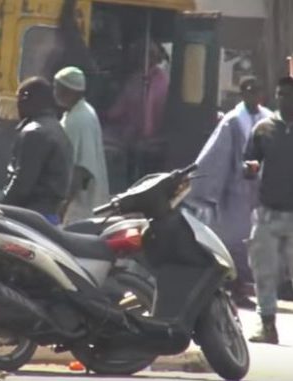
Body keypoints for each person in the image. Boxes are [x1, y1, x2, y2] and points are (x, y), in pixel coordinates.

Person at [188, 77, 273, 308]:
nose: (251, 95)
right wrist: (209, 190)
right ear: (242, 94)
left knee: (255, 244)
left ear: (261, 95)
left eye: (255, 91)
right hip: (234, 192)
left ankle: (241, 289)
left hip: (260, 193)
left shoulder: (269, 120)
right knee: (232, 242)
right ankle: (232, 290)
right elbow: (216, 156)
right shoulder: (233, 122)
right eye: (247, 91)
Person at [243, 76, 293, 344]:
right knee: (264, 273)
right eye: (281, 93)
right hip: (267, 213)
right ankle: (267, 326)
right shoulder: (263, 129)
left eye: (290, 94)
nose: (285, 98)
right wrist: (249, 168)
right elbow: (248, 161)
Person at [1, 77, 73, 225]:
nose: (17, 105)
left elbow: (21, 185)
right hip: (49, 216)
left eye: (19, 99)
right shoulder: (58, 130)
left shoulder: (34, 132)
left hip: (29, 217)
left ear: (26, 98)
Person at [106, 40, 169, 183]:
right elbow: (118, 110)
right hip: (140, 138)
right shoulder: (145, 79)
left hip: (145, 141)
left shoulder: (154, 81)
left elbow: (147, 114)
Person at [53, 66, 109, 223]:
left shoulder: (79, 119)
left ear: (69, 91)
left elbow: (82, 169)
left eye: (57, 88)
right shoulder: (80, 112)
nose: (54, 93)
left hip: (80, 206)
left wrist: (65, 202)